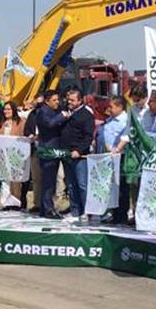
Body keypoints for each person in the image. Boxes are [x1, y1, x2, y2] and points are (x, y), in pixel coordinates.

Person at [60, 88, 95, 220]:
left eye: (73, 100)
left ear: (80, 101)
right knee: (70, 184)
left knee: (82, 184)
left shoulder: (86, 115)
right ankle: (75, 210)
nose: (69, 102)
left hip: (80, 156)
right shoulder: (66, 113)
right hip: (66, 154)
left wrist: (79, 150)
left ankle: (86, 210)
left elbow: (88, 136)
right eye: (68, 99)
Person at [33, 90, 68, 218]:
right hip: (48, 150)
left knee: (52, 181)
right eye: (54, 100)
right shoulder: (43, 111)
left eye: (58, 99)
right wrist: (62, 116)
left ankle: (45, 208)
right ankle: (48, 209)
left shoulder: (54, 111)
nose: (57, 102)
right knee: (48, 181)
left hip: (56, 149)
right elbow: (50, 124)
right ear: (47, 101)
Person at [98, 97, 131, 223]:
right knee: (111, 187)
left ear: (120, 107)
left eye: (111, 107)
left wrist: (116, 149)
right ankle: (114, 213)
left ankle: (122, 216)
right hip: (108, 157)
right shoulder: (110, 120)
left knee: (121, 187)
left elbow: (126, 137)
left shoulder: (125, 121)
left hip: (120, 157)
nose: (109, 109)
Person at [0, 101, 25, 207]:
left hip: (16, 155)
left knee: (15, 180)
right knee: (5, 181)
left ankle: (16, 203)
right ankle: (6, 203)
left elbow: (24, 136)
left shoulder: (21, 121)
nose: (6, 111)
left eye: (9, 109)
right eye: (5, 109)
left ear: (13, 110)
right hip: (2, 155)